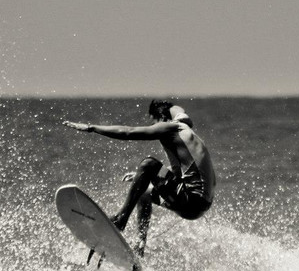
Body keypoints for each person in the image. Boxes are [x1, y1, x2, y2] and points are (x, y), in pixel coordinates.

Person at [63, 100, 216, 255]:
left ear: (161, 117)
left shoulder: (171, 128)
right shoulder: (185, 129)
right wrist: (140, 176)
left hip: (191, 200)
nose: (154, 126)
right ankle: (140, 243)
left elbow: (128, 132)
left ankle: (120, 219)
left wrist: (92, 128)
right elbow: (184, 172)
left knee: (149, 163)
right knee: (144, 193)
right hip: (199, 205)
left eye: (154, 122)